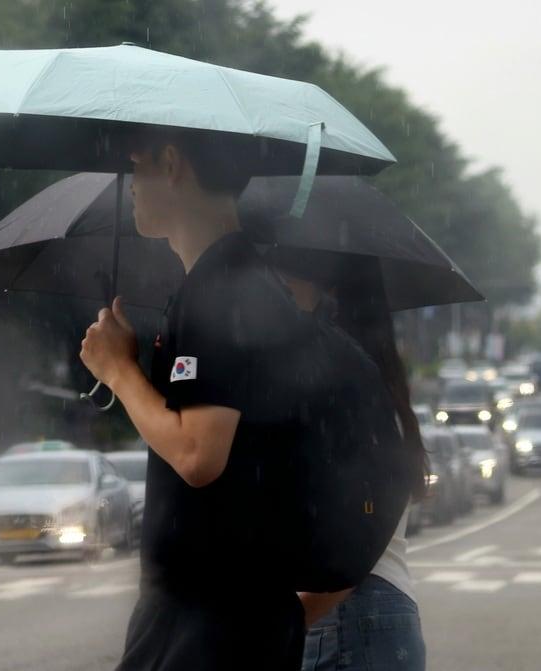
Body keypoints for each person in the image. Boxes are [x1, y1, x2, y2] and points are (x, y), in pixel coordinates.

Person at [79, 129, 346, 669]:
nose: (130, 186)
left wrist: (119, 372)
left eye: (138, 166)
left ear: (172, 162)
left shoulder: (221, 290)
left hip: (207, 622)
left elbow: (200, 455)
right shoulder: (243, 282)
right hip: (227, 614)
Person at [272, 250, 429, 671]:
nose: (275, 296)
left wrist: (287, 623)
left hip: (343, 612)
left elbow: (350, 533)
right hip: (377, 614)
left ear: (331, 293)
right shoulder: (379, 389)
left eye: (287, 284)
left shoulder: (341, 386)